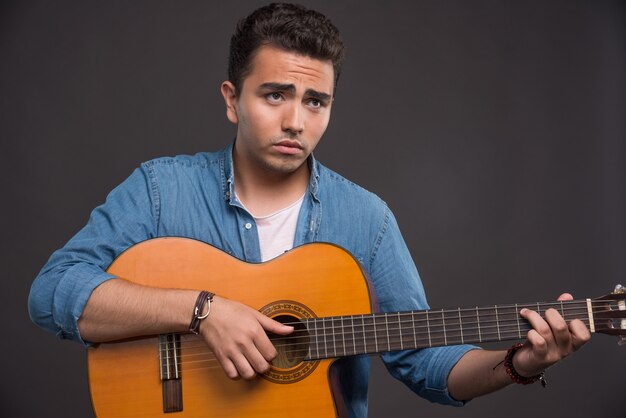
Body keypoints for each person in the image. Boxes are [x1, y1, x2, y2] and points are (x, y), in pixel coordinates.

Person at [28, 3, 590, 417]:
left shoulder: (366, 221)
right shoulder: (158, 190)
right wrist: (201, 310)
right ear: (232, 99)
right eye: (275, 94)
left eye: (315, 101)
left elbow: (425, 364)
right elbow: (52, 292)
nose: (296, 120)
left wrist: (521, 363)